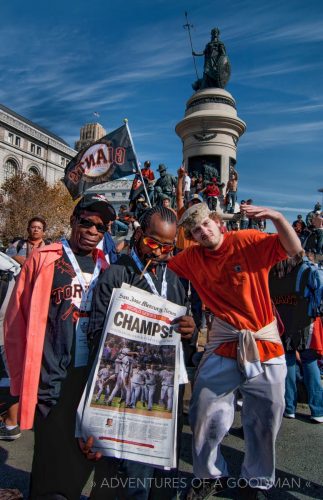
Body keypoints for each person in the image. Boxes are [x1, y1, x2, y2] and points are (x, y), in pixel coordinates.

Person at [167, 202, 302, 499]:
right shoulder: (190, 258)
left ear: (218, 222)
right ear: (191, 237)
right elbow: (160, 259)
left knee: (267, 415)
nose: (203, 232)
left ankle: (256, 479)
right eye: (196, 231)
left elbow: (293, 249)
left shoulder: (246, 240)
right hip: (223, 340)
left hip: (263, 339)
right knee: (203, 410)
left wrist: (278, 216)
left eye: (206, 225)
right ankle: (208, 474)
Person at [4, 193, 116, 499]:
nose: (93, 231)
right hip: (52, 375)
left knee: (82, 454)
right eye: (87, 222)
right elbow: (15, 323)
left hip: (89, 376)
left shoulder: (107, 266)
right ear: (73, 221)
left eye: (101, 227)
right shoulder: (44, 259)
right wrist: (19, 379)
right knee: (50, 457)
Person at [87, 206, 195, 500]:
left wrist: (190, 330)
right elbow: (96, 331)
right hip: (129, 388)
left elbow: (187, 335)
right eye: (153, 243)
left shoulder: (173, 277)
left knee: (165, 472)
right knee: (135, 478)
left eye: (168, 247)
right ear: (138, 235)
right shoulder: (116, 274)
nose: (160, 252)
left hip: (169, 386)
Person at [269, 253, 323, 423]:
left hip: (282, 321)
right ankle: (318, 410)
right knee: (309, 361)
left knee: (288, 362)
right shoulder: (306, 269)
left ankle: (289, 407)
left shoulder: (272, 271)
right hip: (304, 320)